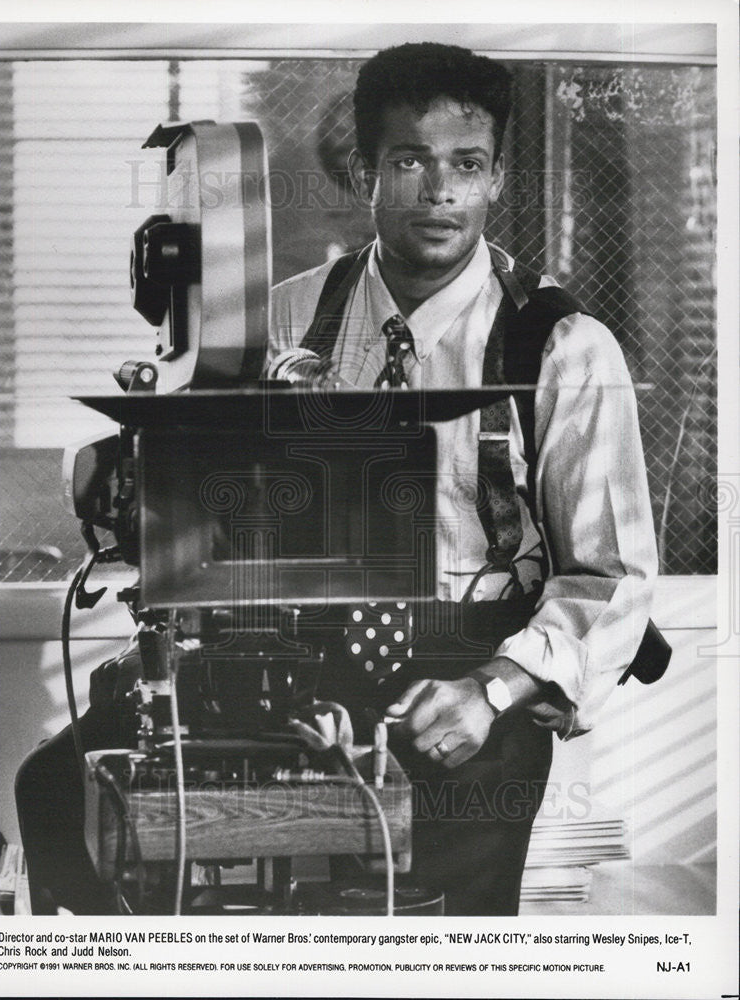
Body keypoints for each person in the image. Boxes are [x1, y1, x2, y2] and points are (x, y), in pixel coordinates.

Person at [267, 42, 658, 913]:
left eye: (466, 165)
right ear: (366, 171)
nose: (439, 191)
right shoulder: (287, 318)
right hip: (308, 659)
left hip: (479, 663)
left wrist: (493, 689)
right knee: (71, 798)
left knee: (442, 917)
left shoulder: (564, 347)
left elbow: (611, 576)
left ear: (497, 180)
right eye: (409, 161)